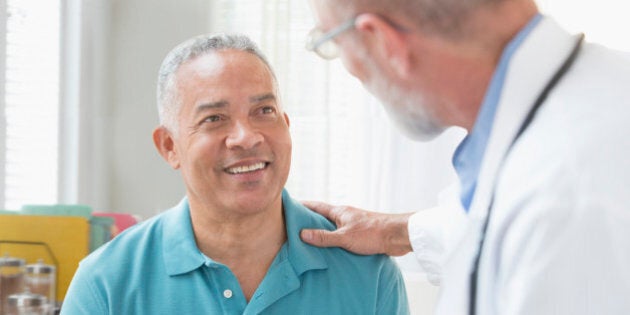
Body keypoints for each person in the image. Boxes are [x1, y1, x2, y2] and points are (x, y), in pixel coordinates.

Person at [300, 0, 630, 314]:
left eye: (332, 44)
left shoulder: (566, 204)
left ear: (383, 42)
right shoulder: (601, 99)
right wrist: (392, 231)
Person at [60, 34, 409, 315]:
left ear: (286, 126)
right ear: (169, 146)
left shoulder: (369, 274)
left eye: (264, 111)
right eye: (214, 118)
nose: (246, 137)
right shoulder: (105, 283)